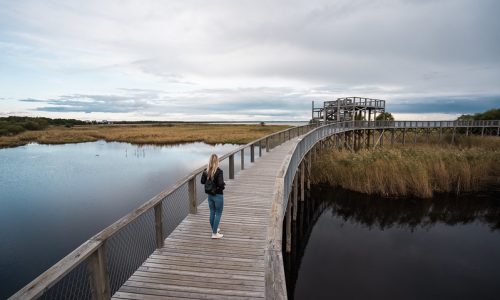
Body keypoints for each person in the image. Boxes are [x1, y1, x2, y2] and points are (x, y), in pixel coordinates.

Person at [201, 154, 225, 239]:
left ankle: (214, 229)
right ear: (217, 161)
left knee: (212, 212)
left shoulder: (206, 171)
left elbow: (202, 181)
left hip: (210, 196)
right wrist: (223, 186)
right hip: (218, 195)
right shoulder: (219, 171)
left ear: (210, 161)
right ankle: (214, 234)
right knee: (218, 213)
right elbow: (221, 184)